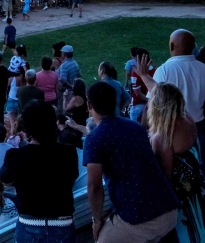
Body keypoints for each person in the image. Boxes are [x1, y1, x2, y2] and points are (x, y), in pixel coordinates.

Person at [84, 82, 179, 243]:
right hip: (169, 210)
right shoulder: (135, 126)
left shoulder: (94, 139)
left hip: (141, 219)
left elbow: (94, 186)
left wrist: (97, 220)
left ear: (89, 105)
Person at [1, 101, 79, 243]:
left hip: (30, 225)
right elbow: (70, 180)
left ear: (26, 126)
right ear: (53, 123)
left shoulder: (15, 155)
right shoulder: (69, 152)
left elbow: (6, 181)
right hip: (62, 225)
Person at [147, 83, 205, 243]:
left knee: (187, 235)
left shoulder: (162, 136)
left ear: (156, 106)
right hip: (197, 189)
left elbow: (166, 175)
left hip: (182, 201)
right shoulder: (187, 118)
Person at [137, 29, 205, 154]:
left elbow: (155, 98)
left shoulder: (164, 70)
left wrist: (144, 76)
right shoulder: (203, 68)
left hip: (173, 128)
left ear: (172, 46)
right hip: (199, 126)